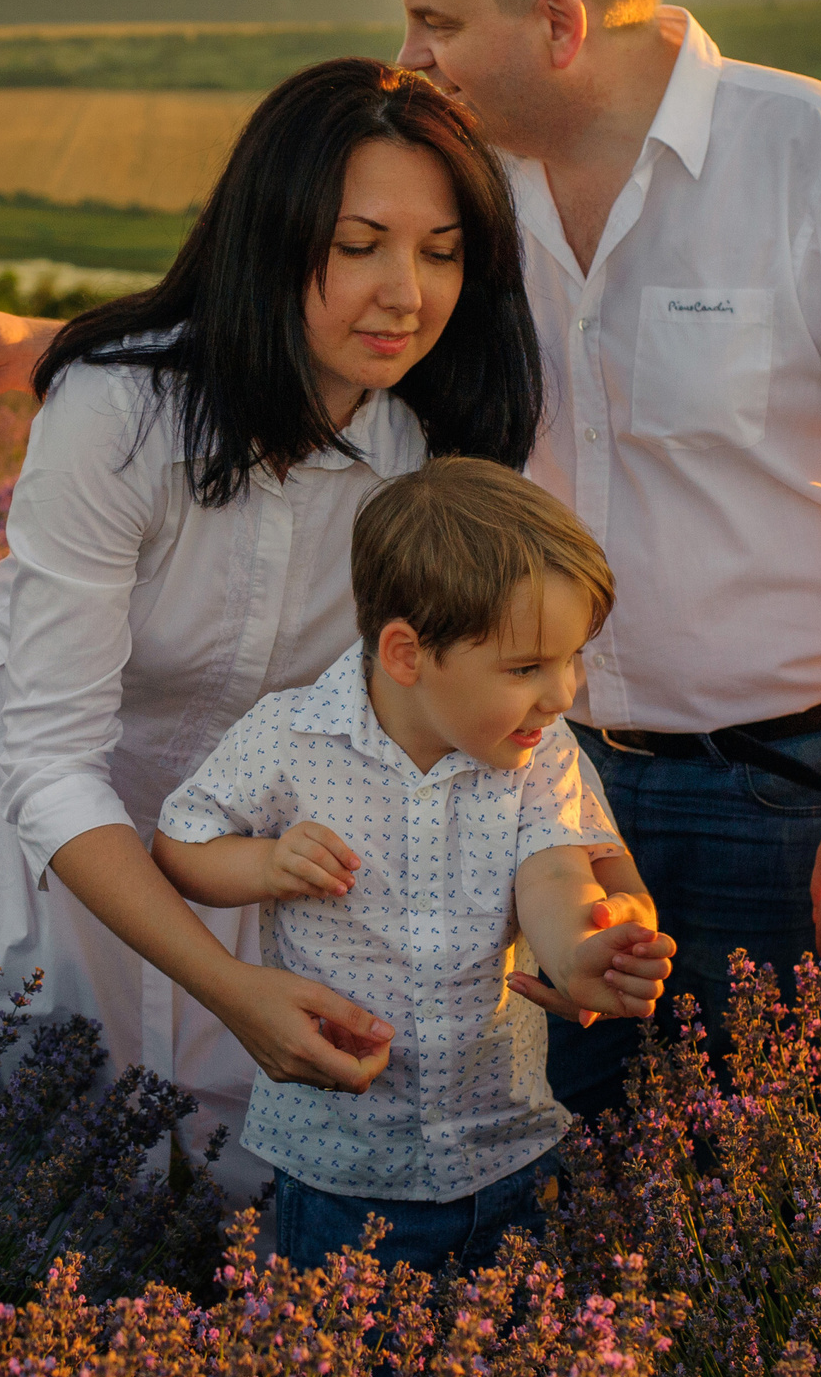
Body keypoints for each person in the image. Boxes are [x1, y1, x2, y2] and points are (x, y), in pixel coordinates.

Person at [0, 0, 821, 1118]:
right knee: (561, 1143)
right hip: (532, 755)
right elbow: (290, 302)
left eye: (437, 21)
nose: (407, 54)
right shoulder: (475, 176)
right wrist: (55, 349)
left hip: (780, 781)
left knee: (804, 1141)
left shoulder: (814, 164)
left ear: (558, 23)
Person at [0, 57, 579, 1194]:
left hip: (244, 825)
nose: (405, 294)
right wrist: (228, 986)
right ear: (270, 236)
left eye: (441, 252)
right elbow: (52, 765)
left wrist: (569, 903)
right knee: (36, 1144)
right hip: (32, 796)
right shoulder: (119, 412)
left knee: (238, 1166)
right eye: (358, 246)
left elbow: (465, 719)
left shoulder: (425, 454)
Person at [153, 457, 674, 1272]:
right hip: (340, 1166)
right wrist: (266, 863)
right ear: (406, 653)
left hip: (503, 1152)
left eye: (573, 659)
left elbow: (555, 873)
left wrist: (584, 953)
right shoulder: (289, 738)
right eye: (527, 668)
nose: (562, 693)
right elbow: (182, 844)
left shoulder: (541, 755)